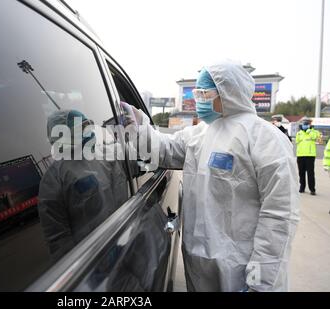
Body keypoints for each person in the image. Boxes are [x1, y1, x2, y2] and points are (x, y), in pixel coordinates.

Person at [127, 60, 300, 292]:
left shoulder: (266, 139)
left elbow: (280, 215)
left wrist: (261, 281)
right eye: (196, 93)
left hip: (241, 270)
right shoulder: (199, 134)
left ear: (228, 93)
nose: (198, 99)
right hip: (198, 262)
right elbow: (165, 149)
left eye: (203, 93)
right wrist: (138, 128)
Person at [38, 110, 129, 261]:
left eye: (89, 127)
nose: (90, 133)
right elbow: (58, 239)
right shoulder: (54, 180)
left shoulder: (105, 157)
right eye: (82, 129)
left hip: (123, 241)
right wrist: (79, 267)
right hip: (91, 260)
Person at [296, 118, 322, 195]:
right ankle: (302, 187)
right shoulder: (299, 133)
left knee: (310, 173)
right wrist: (302, 131)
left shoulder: (315, 132)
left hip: (310, 155)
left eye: (307, 124)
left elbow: (315, 138)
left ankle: (312, 189)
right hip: (300, 155)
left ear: (310, 124)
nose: (305, 125)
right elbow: (297, 141)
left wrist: (309, 130)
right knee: (301, 173)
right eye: (304, 124)